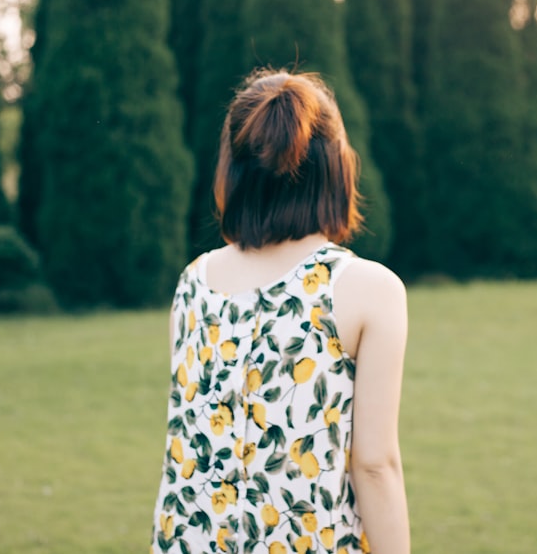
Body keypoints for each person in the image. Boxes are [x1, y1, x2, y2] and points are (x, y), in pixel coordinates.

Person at [151, 69, 410, 553]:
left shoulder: (194, 282)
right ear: (337, 167)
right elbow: (374, 464)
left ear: (232, 169)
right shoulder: (368, 288)